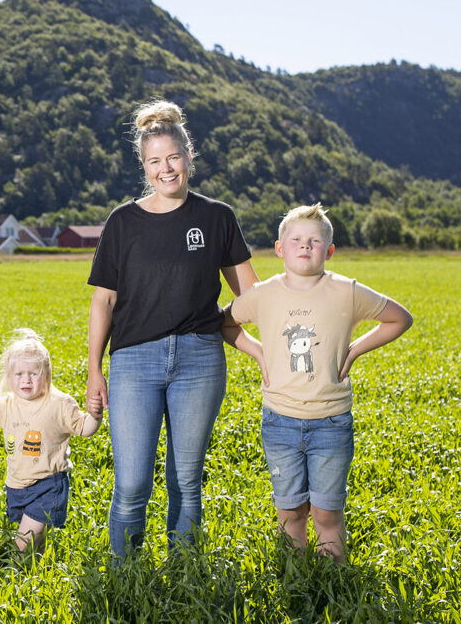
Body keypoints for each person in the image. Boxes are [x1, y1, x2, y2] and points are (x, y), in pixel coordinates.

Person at [86, 99, 259, 557]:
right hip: (133, 362)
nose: (166, 169)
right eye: (155, 161)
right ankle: (125, 573)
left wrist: (306, 302)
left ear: (189, 156)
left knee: (186, 479)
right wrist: (93, 370)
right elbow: (103, 300)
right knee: (132, 482)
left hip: (200, 360)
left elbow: (252, 295)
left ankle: (184, 572)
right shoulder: (123, 222)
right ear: (144, 167)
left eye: (173, 158)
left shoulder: (216, 217)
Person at [225, 203, 412, 563]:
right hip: (279, 421)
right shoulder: (264, 294)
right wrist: (259, 353)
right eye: (296, 239)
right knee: (290, 511)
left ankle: (333, 580)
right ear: (280, 248)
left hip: (331, 422)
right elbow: (225, 323)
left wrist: (354, 351)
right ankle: (295, 578)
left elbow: (399, 318)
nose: (305, 245)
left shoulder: (347, 291)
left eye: (314, 240)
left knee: (327, 513)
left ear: (329, 250)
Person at [0, 329, 102, 553]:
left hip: (48, 484)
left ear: (46, 374)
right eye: (19, 374)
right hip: (17, 484)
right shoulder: (7, 405)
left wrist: (95, 415)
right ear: (9, 376)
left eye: (33, 373)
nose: (26, 380)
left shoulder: (58, 404)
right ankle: (38, 565)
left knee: (23, 542)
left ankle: (14, 570)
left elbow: (84, 428)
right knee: (35, 544)